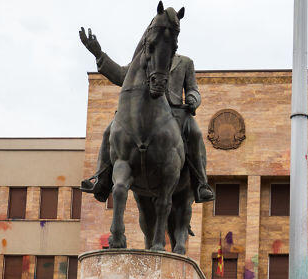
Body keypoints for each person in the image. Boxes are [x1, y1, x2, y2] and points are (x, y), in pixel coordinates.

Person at [78, 25, 215, 204]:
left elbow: (193, 89)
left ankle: (201, 183)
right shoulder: (146, 60)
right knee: (109, 131)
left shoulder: (185, 62)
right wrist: (99, 54)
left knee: (195, 134)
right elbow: (121, 75)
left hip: (175, 113)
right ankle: (101, 178)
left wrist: (192, 99)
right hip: (147, 113)